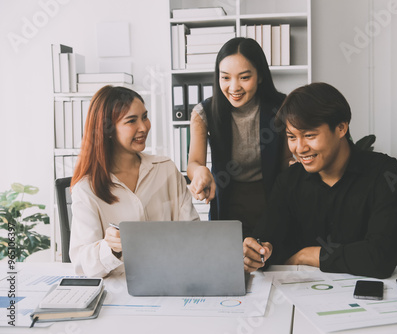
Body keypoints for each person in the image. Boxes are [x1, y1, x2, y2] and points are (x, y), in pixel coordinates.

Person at [243, 82, 397, 279]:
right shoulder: (289, 181)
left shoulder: (389, 176)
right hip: (304, 293)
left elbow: (379, 259)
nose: (299, 148)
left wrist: (306, 255)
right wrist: (258, 252)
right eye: (292, 137)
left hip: (373, 296)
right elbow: (268, 239)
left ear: (341, 128)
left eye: (309, 135)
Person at [70, 86, 199, 277]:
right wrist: (109, 248)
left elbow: (194, 234)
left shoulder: (166, 169)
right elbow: (81, 265)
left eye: (144, 117)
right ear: (108, 131)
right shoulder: (86, 188)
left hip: (171, 281)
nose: (144, 127)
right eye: (131, 121)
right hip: (119, 293)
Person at [187, 37, 291, 236]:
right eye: (225, 77)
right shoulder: (204, 112)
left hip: (272, 198)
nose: (234, 88)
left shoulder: (283, 107)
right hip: (226, 200)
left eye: (244, 77)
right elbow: (194, 162)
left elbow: (286, 161)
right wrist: (200, 172)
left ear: (260, 76)